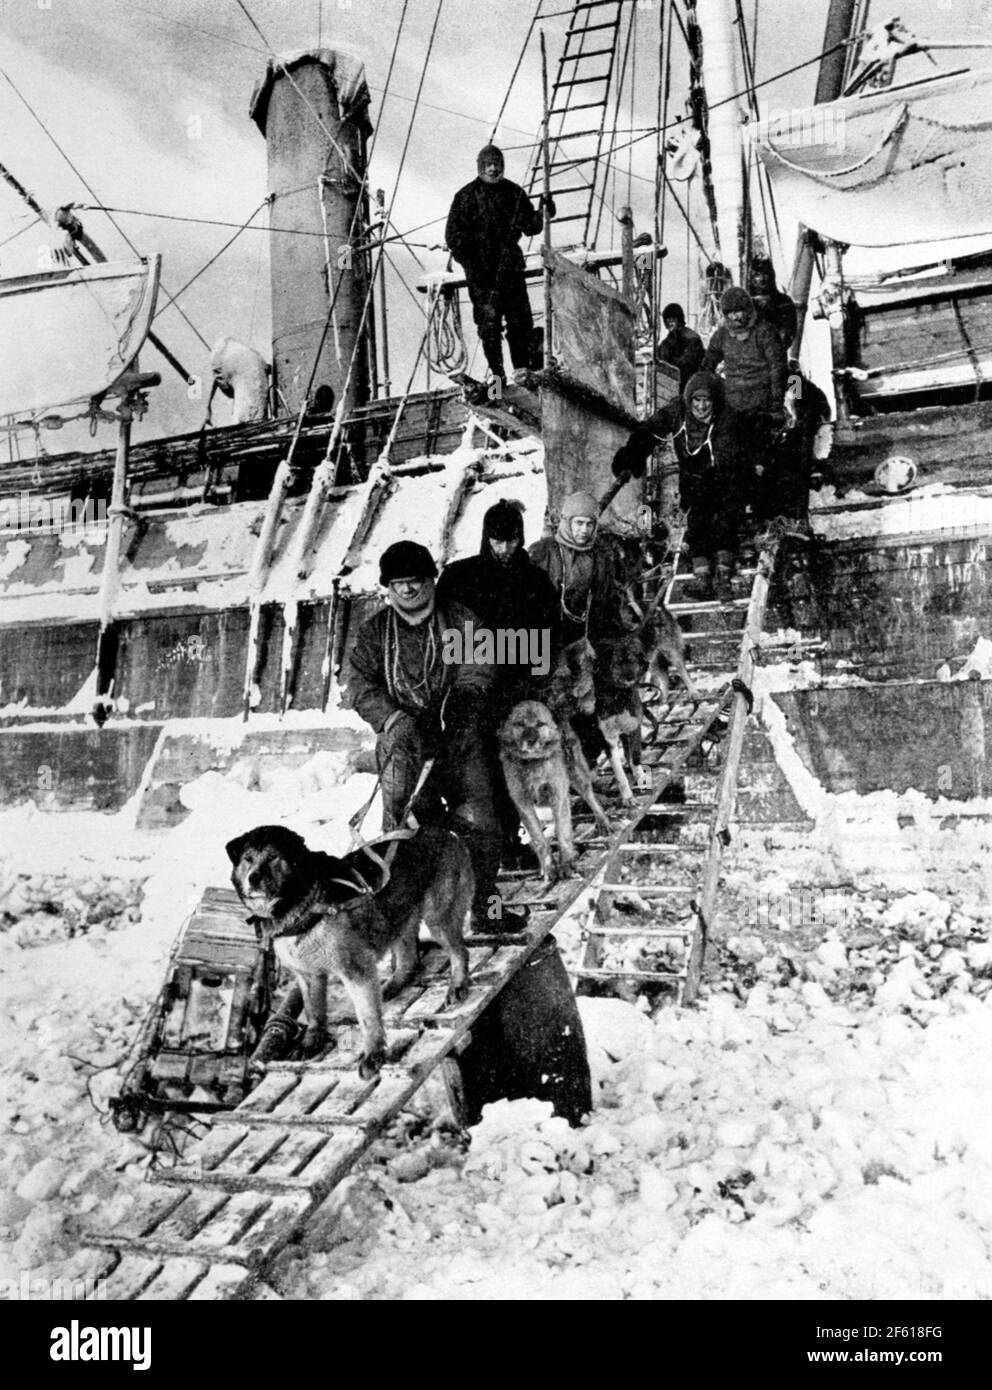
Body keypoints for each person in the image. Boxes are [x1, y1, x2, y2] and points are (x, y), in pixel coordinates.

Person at [348, 540, 525, 932]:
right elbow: (358, 685)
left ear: (431, 580)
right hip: (405, 747)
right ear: (388, 589)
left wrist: (463, 702)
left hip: (458, 740)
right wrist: (393, 718)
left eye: (416, 581)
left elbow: (480, 664)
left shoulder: (459, 619)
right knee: (402, 835)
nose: (409, 590)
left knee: (484, 826)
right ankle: (403, 927)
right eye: (399, 584)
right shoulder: (376, 631)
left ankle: (487, 911)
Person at [437, 499, 559, 866]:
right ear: (485, 537)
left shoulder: (535, 579)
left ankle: (510, 839)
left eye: (511, 540)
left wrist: (539, 674)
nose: (504, 549)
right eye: (497, 540)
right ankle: (481, 847)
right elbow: (444, 632)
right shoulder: (460, 577)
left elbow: (549, 632)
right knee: (478, 769)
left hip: (517, 691)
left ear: (521, 538)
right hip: (473, 690)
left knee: (515, 764)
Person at [612, 371, 745, 599]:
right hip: (693, 476)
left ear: (715, 401)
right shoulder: (676, 413)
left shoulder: (727, 419)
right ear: (689, 400)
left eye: (707, 401)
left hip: (726, 476)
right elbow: (649, 432)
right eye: (696, 400)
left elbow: (730, 459)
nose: (701, 407)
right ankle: (702, 578)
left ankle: (724, 578)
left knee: (725, 519)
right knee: (696, 522)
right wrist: (632, 455)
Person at [445, 144, 553, 386]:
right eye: (488, 165)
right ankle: (497, 379)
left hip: (510, 270)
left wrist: (544, 211)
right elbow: (454, 238)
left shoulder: (514, 193)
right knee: (489, 329)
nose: (493, 169)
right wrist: (473, 262)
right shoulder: (466, 197)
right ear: (480, 167)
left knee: (520, 324)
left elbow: (531, 226)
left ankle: (522, 372)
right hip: (482, 276)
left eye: (497, 164)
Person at [528, 491, 623, 649]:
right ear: (567, 522)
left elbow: (608, 603)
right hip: (545, 639)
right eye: (579, 523)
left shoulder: (600, 558)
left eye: (589, 524)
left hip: (586, 639)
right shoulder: (543, 552)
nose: (584, 530)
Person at [747, 257, 798, 351]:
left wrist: (770, 307)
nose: (762, 279)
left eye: (765, 273)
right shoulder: (744, 303)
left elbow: (788, 336)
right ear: (750, 278)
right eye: (757, 275)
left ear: (771, 275)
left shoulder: (784, 301)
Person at [657, 302, 705, 389]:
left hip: (690, 384)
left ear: (679, 320)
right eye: (667, 320)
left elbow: (687, 364)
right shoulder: (667, 341)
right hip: (673, 383)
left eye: (672, 320)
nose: (669, 323)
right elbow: (661, 357)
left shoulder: (692, 338)